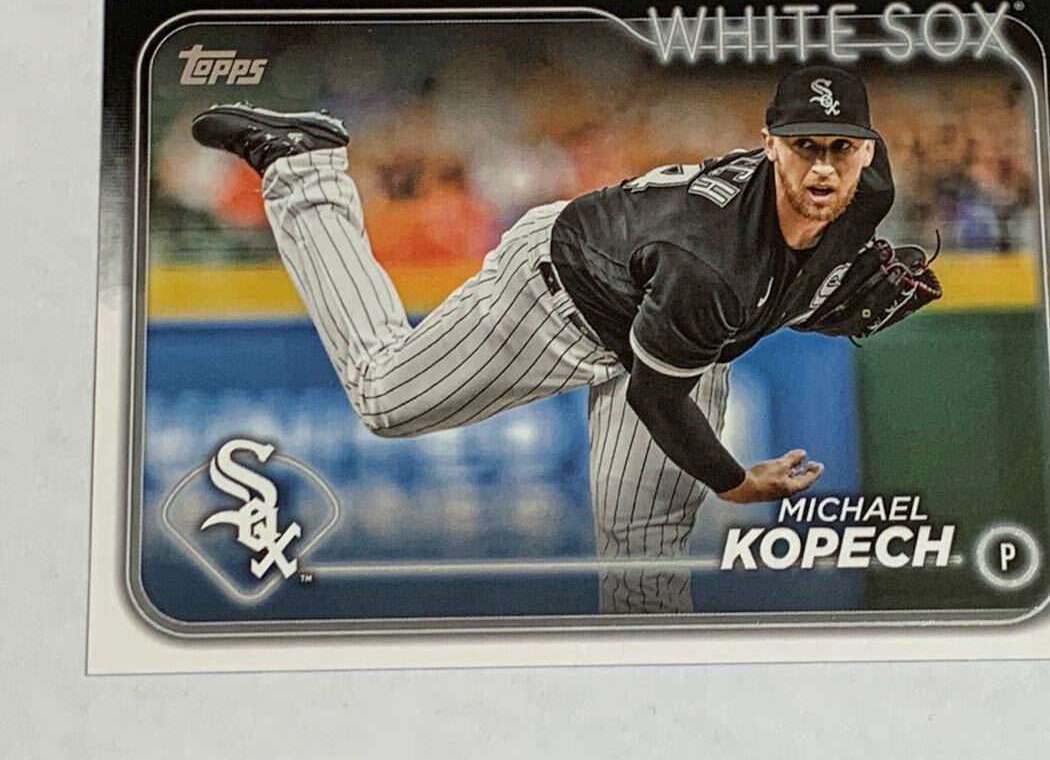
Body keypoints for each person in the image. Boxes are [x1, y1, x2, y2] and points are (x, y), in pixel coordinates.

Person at [191, 64, 895, 614]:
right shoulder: (709, 262)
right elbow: (659, 397)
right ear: (769, 144)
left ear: (867, 150)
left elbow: (755, 292)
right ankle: (304, 169)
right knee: (382, 396)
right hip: (560, 291)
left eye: (842, 147)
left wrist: (810, 288)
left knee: (646, 559)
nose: (824, 167)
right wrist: (735, 482)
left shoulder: (868, 192)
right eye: (804, 146)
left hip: (662, 315)